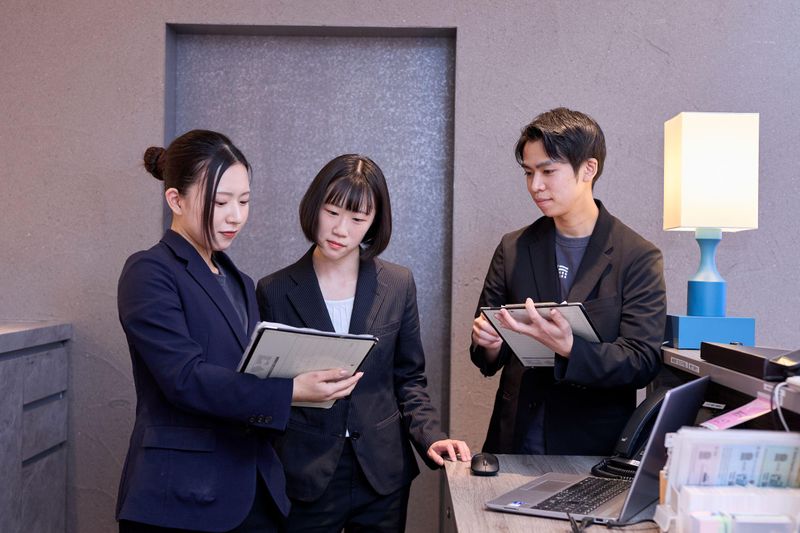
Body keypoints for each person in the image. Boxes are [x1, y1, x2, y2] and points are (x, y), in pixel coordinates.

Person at [116, 130, 362, 533]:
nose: (236, 216)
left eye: (244, 201)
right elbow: (184, 378)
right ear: (175, 200)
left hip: (252, 489)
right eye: (220, 202)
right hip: (179, 499)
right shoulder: (150, 271)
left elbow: (245, 372)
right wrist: (291, 391)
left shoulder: (240, 281)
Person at [257, 154, 471, 532]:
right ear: (314, 207)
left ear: (374, 222)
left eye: (358, 219)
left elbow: (409, 380)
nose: (341, 229)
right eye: (332, 212)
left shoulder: (397, 284)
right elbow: (264, 385)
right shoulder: (273, 290)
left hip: (381, 473)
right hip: (305, 472)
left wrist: (430, 437)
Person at [470, 108, 666, 456]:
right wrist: (489, 342)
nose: (535, 186)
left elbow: (642, 361)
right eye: (529, 172)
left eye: (548, 171)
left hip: (592, 446)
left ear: (588, 169)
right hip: (515, 438)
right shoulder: (514, 248)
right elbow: (486, 356)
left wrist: (572, 348)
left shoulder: (637, 256)